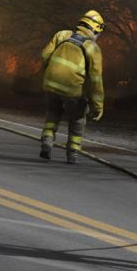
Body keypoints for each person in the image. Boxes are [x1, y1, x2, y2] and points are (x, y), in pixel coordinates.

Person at [39, 10, 105, 165]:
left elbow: (44, 56)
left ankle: (47, 141)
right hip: (72, 89)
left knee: (53, 112)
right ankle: (72, 152)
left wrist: (49, 74)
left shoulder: (62, 35)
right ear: (95, 29)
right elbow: (96, 80)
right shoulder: (92, 48)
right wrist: (98, 106)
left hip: (50, 84)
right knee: (78, 118)